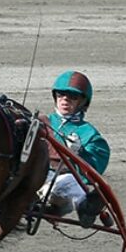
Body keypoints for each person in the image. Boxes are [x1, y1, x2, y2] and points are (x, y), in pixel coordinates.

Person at [41, 70, 110, 225]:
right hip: (36, 172)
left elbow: (96, 164)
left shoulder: (89, 133)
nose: (65, 100)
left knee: (68, 182)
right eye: (61, 95)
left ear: (82, 102)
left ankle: (86, 208)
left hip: (63, 178)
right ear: (55, 97)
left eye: (73, 97)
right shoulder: (41, 122)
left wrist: (80, 153)